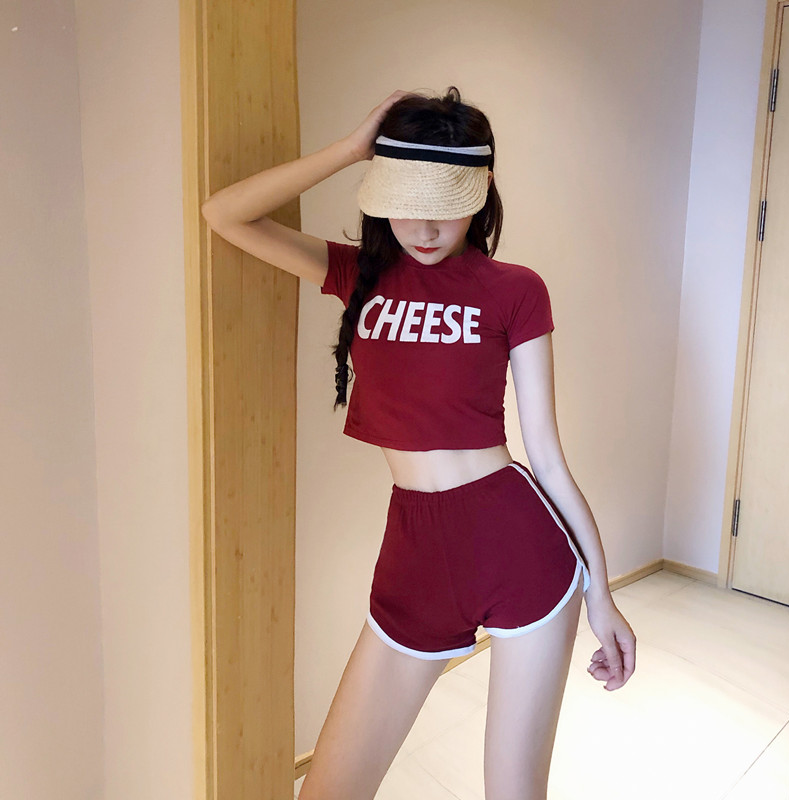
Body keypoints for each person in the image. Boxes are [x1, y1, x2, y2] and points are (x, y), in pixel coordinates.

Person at [201, 86, 636, 800]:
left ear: (481, 193)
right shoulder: (358, 275)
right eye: (404, 202)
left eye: (444, 204)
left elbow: (548, 457)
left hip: (516, 545)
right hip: (413, 551)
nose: (423, 227)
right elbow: (225, 214)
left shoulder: (516, 290)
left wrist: (602, 594)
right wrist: (352, 148)